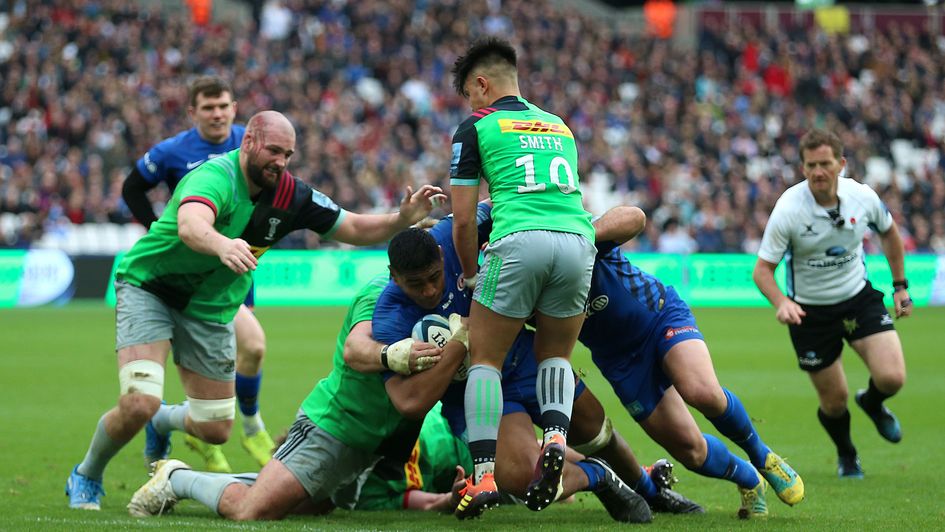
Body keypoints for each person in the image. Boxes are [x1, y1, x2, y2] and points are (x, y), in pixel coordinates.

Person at [66, 109, 444, 511]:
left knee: (214, 428)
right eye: (274, 151)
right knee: (139, 401)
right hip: (151, 287)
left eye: (288, 154)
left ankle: (161, 420)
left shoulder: (291, 195)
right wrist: (222, 244)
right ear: (248, 142)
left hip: (210, 307)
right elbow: (191, 225)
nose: (281, 162)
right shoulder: (215, 176)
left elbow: (351, 227)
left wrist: (402, 218)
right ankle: (87, 475)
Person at [127, 243, 472, 520]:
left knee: (306, 505)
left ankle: (196, 479)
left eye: (434, 277)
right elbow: (356, 349)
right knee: (253, 510)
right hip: (334, 426)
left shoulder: (444, 293)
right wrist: (401, 354)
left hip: (370, 441)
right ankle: (177, 479)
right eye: (417, 282)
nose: (429, 290)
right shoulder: (378, 296)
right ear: (395, 274)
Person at [449, 36, 597, 516]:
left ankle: (483, 478)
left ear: (481, 84)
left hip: (518, 239)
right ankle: (554, 439)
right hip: (577, 240)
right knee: (555, 354)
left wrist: (471, 275)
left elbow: (464, 220)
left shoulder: (476, 126)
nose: (469, 103)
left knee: (485, 360)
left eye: (468, 94)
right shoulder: (559, 125)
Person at [582, 209, 804, 519]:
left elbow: (634, 217)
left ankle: (762, 456)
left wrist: (583, 236)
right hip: (620, 362)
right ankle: (750, 478)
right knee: (690, 451)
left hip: (659, 318)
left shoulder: (570, 232)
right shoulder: (522, 276)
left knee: (701, 392)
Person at [121, 75, 272, 473]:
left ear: (234, 108)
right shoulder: (173, 151)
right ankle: (226, 428)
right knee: (242, 345)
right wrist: (158, 228)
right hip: (188, 273)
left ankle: (238, 425)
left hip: (232, 267)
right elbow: (132, 187)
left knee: (251, 348)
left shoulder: (252, 143)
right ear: (193, 112)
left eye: (223, 106)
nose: (217, 114)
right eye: (208, 107)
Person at [752, 128, 910, 479]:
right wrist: (781, 302)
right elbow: (762, 271)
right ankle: (847, 454)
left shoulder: (861, 197)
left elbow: (889, 233)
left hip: (857, 298)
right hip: (809, 313)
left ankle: (872, 402)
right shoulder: (789, 209)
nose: (818, 171)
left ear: (841, 163)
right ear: (802, 167)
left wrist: (900, 287)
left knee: (893, 377)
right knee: (834, 401)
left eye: (825, 163)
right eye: (811, 165)